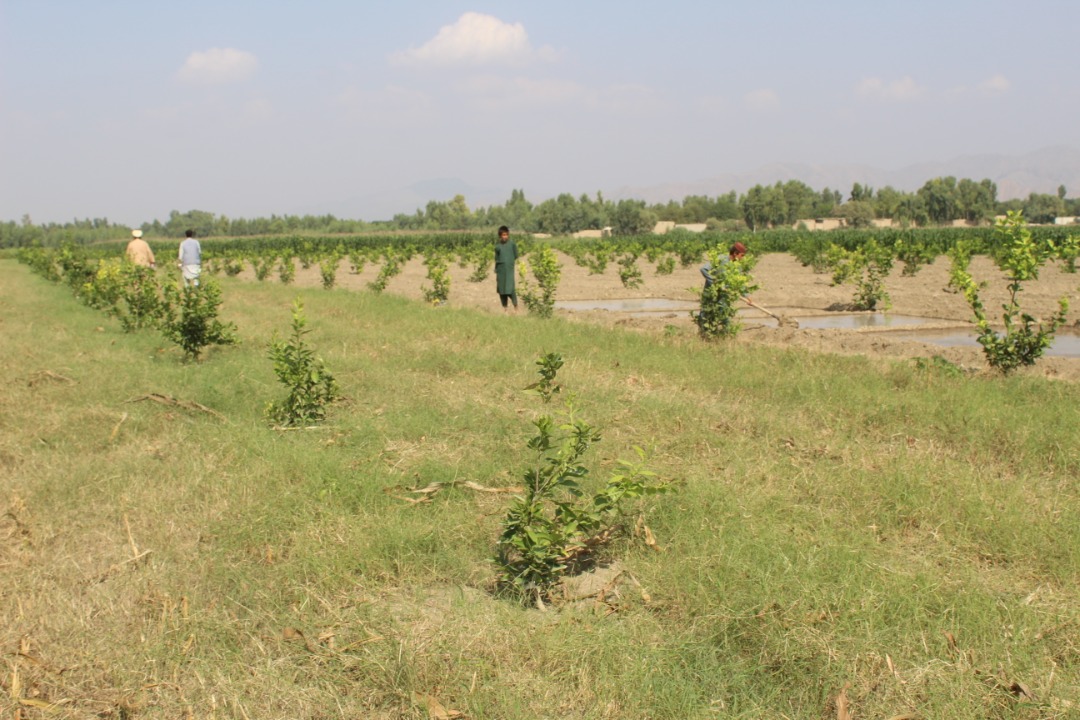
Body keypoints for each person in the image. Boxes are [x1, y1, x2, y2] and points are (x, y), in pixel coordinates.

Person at [494, 225, 518, 312]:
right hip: (500, 271)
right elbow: (496, 259)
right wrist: (497, 269)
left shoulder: (512, 244)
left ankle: (516, 307)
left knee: (510, 289)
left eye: (506, 235)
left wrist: (509, 263)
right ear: (500, 235)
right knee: (502, 290)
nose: (505, 237)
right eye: (503, 235)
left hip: (509, 270)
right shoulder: (498, 247)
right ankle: (505, 309)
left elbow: (516, 255)